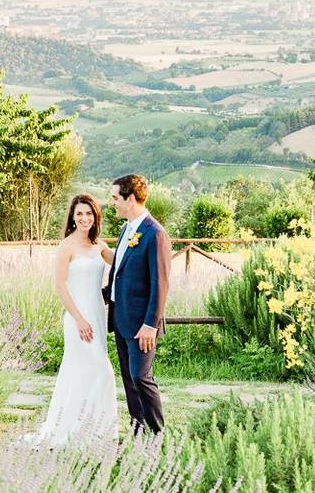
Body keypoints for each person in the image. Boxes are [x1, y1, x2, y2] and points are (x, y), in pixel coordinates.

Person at [21, 194, 117, 446]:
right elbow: (60, 285)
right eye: (79, 214)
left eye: (89, 213)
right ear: (73, 218)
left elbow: (121, 261)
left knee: (91, 372)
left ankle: (96, 432)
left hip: (97, 314)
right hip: (78, 318)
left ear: (96, 216)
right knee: (99, 370)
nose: (84, 218)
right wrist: (78, 319)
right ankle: (71, 429)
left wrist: (140, 245)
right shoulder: (66, 246)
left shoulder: (99, 245)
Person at [103, 174, 171, 435]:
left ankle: (157, 435)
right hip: (121, 319)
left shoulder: (155, 234)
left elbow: (160, 283)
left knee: (141, 377)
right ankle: (138, 432)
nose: (113, 203)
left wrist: (150, 325)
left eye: (115, 198)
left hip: (142, 325)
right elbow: (121, 268)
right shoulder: (126, 229)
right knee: (130, 380)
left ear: (130, 199)